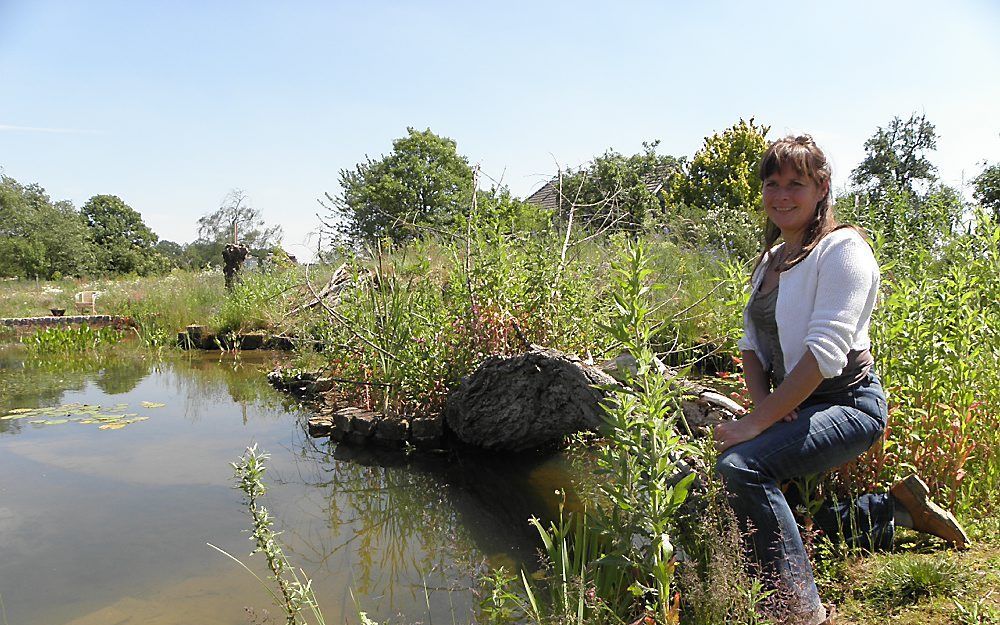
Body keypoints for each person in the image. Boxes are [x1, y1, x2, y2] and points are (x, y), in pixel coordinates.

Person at [712, 135, 969, 625]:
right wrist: (765, 405)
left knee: (742, 467)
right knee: (775, 515)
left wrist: (756, 425)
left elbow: (825, 355)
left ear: (822, 187)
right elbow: (750, 343)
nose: (782, 195)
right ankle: (893, 512)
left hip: (849, 403)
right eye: (773, 183)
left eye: (796, 184)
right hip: (796, 400)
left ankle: (803, 612)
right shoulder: (769, 261)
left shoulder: (843, 250)